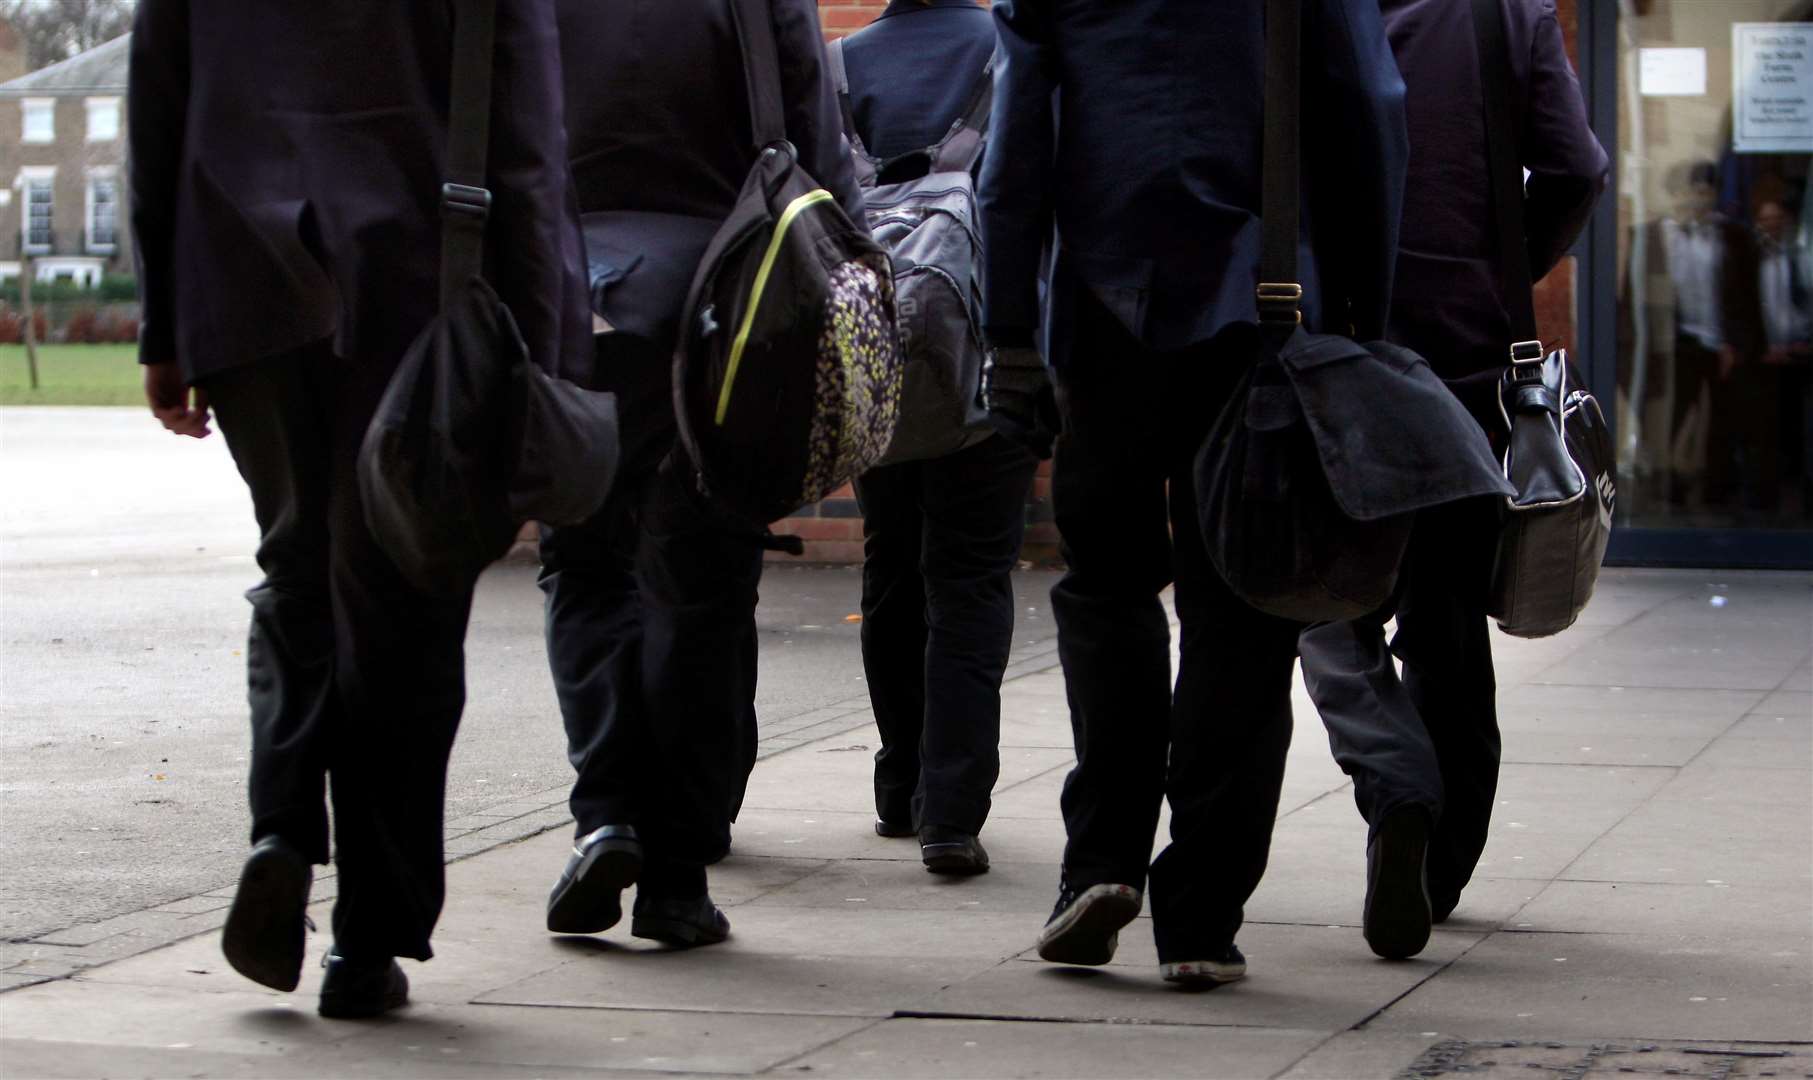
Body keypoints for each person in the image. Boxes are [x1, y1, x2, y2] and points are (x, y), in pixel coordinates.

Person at [130, 0, 588, 1017]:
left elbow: (156, 99)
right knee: (405, 601)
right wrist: (544, 360)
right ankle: (368, 939)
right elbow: (527, 147)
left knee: (294, 564)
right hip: (418, 279)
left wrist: (165, 324)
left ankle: (282, 829)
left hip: (238, 277)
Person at [979, 0, 1408, 984]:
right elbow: (1371, 112)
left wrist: (1008, 329)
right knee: (1243, 608)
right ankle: (1204, 914)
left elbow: (1017, 143)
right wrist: (1366, 318)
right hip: (1263, 307)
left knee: (1107, 589)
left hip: (1105, 304)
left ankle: (1099, 862)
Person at [539, 0, 863, 947]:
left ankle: (605, 814)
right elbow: (818, 150)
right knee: (703, 585)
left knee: (584, 561)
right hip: (724, 305)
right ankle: (677, 878)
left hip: (570, 300)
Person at [1298, 0, 1608, 960]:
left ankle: (1395, 785)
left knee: (1324, 602)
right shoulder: (1501, 13)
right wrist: (1496, 266)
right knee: (1444, 618)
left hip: (1335, 351)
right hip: (1469, 353)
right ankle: (1442, 863)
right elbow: (1575, 168)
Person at [836, 0, 1039, 875]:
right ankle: (949, 815)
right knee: (968, 577)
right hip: (989, 349)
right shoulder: (1013, 47)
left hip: (876, 350)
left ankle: (897, 783)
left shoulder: (842, 66)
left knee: (891, 561)